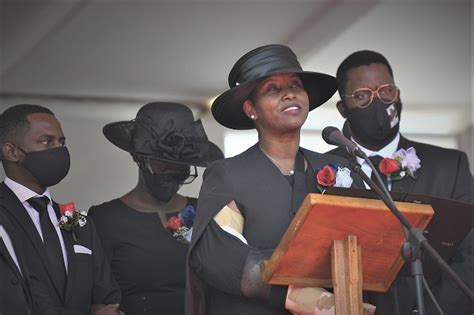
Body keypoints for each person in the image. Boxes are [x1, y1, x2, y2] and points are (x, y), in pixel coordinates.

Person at [186, 44, 372, 315]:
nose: (289, 94)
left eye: (295, 85)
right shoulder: (228, 175)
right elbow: (217, 253)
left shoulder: (339, 168)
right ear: (251, 109)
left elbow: (365, 241)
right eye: (273, 89)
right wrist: (300, 297)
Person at [328, 50, 473, 314]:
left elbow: (470, 253)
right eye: (362, 95)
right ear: (343, 108)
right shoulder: (320, 169)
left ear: (398, 94)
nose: (378, 102)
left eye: (386, 91)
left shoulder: (449, 166)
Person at [88, 102, 223, 315]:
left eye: (182, 167)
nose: (173, 174)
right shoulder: (106, 219)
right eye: (163, 165)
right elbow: (97, 296)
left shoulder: (203, 212)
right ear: (137, 157)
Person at [0, 104, 121, 314]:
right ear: (11, 152)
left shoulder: (78, 222)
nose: (59, 150)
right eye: (47, 142)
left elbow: (107, 298)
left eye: (62, 142)